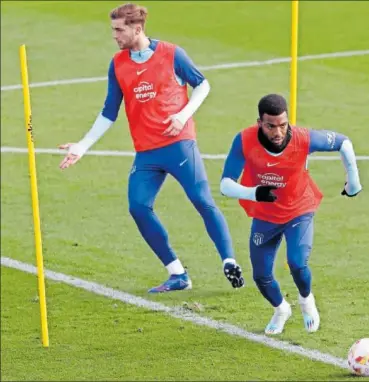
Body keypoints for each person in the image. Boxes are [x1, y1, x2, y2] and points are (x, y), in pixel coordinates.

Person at [58, 3, 244, 293]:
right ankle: (178, 273)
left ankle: (229, 261)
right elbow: (110, 111)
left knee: (202, 201)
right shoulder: (118, 64)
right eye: (113, 30)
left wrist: (183, 115)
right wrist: (82, 146)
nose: (115, 36)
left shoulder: (172, 54)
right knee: (139, 206)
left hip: (179, 145)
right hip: (147, 153)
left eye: (119, 30)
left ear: (137, 28)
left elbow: (203, 85)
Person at [220, 94, 362, 335]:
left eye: (283, 125)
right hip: (265, 215)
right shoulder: (244, 140)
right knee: (261, 275)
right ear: (259, 123)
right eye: (271, 126)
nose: (278, 132)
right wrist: (255, 193)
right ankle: (281, 309)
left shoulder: (304, 138)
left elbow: (343, 142)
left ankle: (307, 301)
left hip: (299, 210)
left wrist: (353, 181)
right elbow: (225, 184)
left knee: (297, 262)